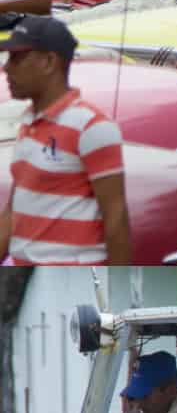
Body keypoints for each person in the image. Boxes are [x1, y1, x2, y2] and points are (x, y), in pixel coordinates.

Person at [0, 15, 129, 265]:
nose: (6, 68)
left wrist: (118, 292)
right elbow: (12, 213)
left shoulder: (92, 127)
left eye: (17, 58)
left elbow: (116, 218)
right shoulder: (28, 123)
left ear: (49, 62)